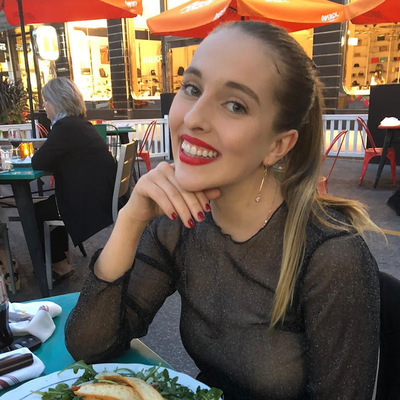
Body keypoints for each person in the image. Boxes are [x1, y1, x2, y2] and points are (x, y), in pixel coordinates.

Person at [65, 21, 381, 399]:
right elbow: (90, 347)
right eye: (192, 88)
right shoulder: (179, 224)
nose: (193, 118)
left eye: (235, 105)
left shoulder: (331, 256)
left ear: (278, 146)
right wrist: (131, 217)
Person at [32, 77, 116, 283]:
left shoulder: (64, 128)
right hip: (101, 195)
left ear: (57, 102)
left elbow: (38, 162)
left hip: (87, 202)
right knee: (51, 204)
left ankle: (59, 264)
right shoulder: (80, 124)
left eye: (46, 101)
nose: (44, 105)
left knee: (36, 211)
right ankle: (63, 257)